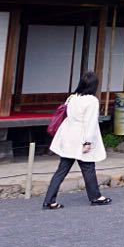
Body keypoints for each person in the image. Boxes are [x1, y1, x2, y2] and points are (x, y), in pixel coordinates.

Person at [43, 71, 112, 208]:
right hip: (81, 137)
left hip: (68, 136)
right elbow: (90, 122)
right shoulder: (92, 101)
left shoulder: (72, 98)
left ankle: (49, 199)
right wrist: (87, 142)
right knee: (88, 168)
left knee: (61, 170)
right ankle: (95, 196)